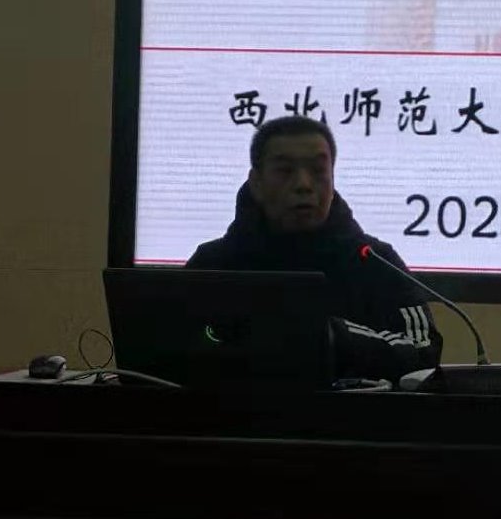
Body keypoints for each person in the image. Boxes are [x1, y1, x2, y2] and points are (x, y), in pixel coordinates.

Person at [187, 116, 442, 382]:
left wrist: (331, 335)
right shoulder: (212, 263)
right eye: (285, 171)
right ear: (256, 183)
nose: (304, 185)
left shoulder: (375, 261)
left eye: (318, 171)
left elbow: (423, 353)